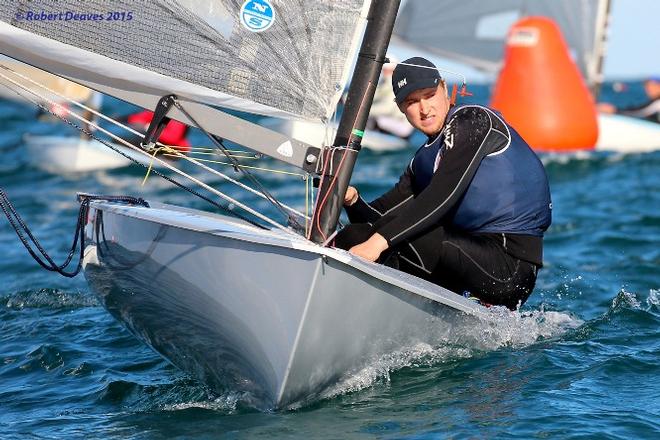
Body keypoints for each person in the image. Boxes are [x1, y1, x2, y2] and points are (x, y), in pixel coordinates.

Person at [335, 57, 552, 310]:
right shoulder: (423, 160)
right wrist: (352, 200)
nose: (424, 109)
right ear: (401, 108)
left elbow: (443, 194)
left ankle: (384, 309)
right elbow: (380, 217)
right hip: (461, 258)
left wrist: (377, 243)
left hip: (509, 268)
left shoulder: (474, 121)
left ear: (445, 90)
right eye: (412, 102)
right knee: (354, 235)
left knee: (398, 238)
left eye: (429, 95)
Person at [366, 56, 415, 139]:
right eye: (383, 70)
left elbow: (387, 108)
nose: (384, 72)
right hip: (390, 121)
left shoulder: (396, 85)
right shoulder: (385, 83)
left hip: (403, 126)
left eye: (386, 70)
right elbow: (373, 95)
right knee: (372, 119)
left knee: (374, 119)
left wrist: (364, 110)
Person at [126, 110, 191, 153]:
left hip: (172, 150)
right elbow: (139, 118)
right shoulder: (160, 110)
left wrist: (149, 128)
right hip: (155, 143)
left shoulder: (177, 117)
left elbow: (173, 138)